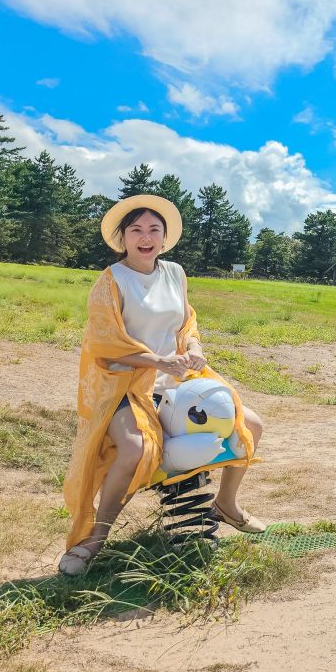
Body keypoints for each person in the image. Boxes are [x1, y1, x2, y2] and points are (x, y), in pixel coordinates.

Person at [59, 194, 264, 577]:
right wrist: (156, 360)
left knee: (250, 423)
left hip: (175, 379)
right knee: (135, 446)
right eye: (136, 229)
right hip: (123, 382)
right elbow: (105, 345)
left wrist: (195, 349)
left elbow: (186, 325)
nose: (145, 237)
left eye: (154, 229)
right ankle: (93, 539)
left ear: (165, 238)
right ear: (122, 238)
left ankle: (226, 505)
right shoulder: (111, 281)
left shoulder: (175, 273)